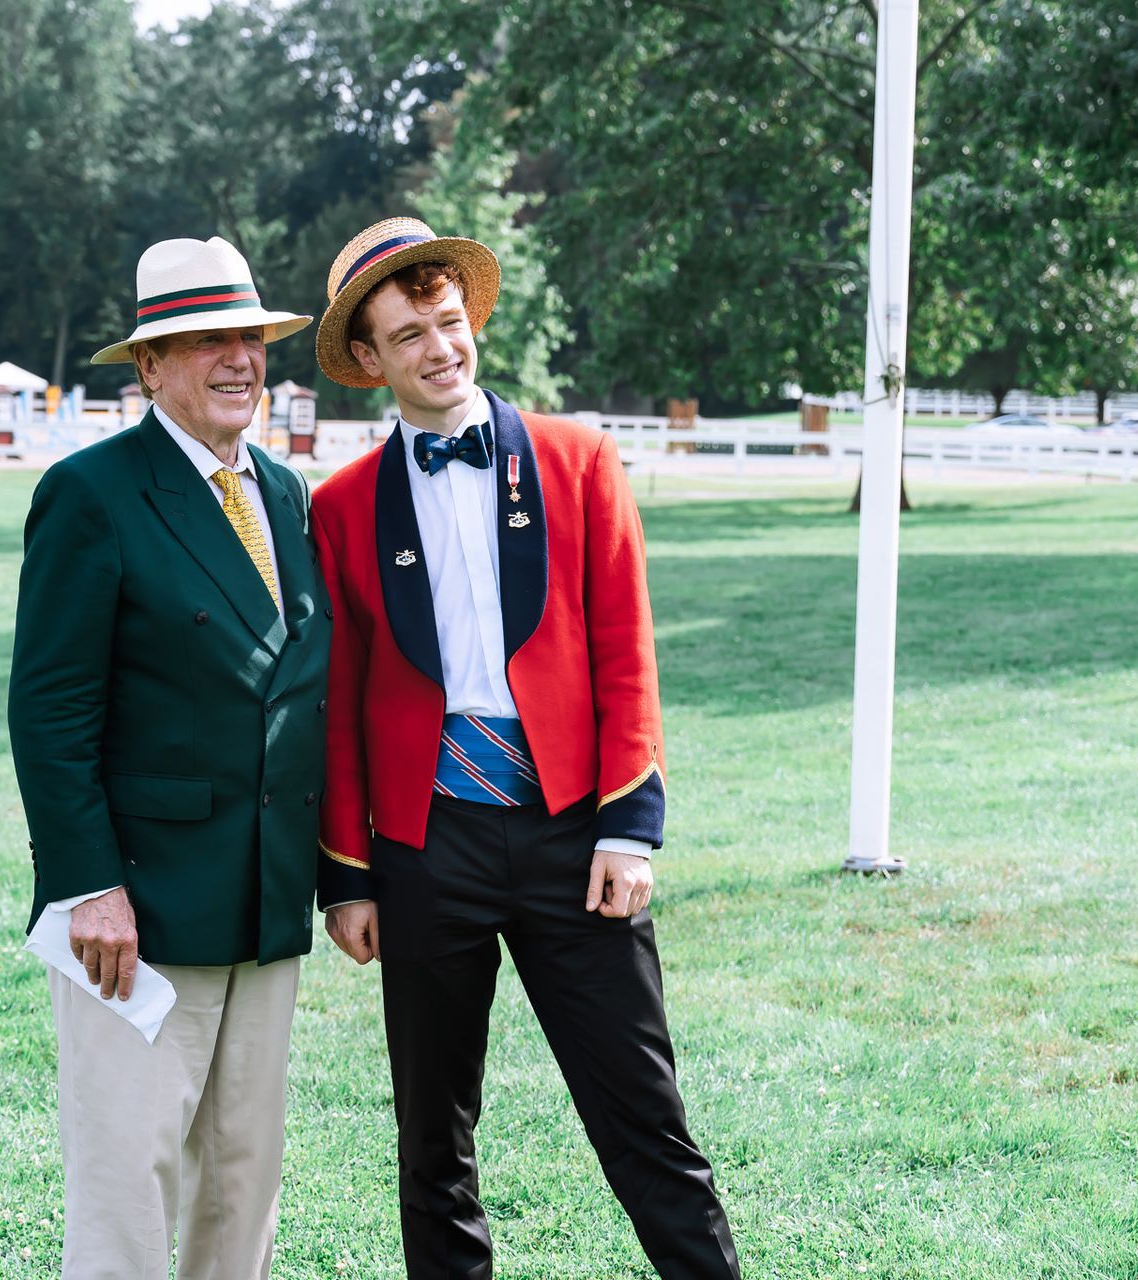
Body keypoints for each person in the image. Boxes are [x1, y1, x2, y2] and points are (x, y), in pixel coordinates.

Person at [309, 217, 740, 1279]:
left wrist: (629, 826)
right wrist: (347, 878)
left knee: (644, 1116)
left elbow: (626, 649)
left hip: (573, 835)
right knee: (433, 1139)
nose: (438, 348)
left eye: (448, 322)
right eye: (408, 334)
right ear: (369, 359)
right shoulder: (340, 505)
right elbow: (341, 701)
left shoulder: (579, 458)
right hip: (425, 846)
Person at [7, 235, 331, 1280]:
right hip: (134, 915)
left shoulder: (284, 494)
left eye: (249, 336)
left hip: (264, 901)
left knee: (243, 1184)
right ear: (148, 366)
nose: (238, 358)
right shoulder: (92, 492)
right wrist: (88, 882)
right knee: (127, 1187)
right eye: (203, 341)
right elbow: (49, 710)